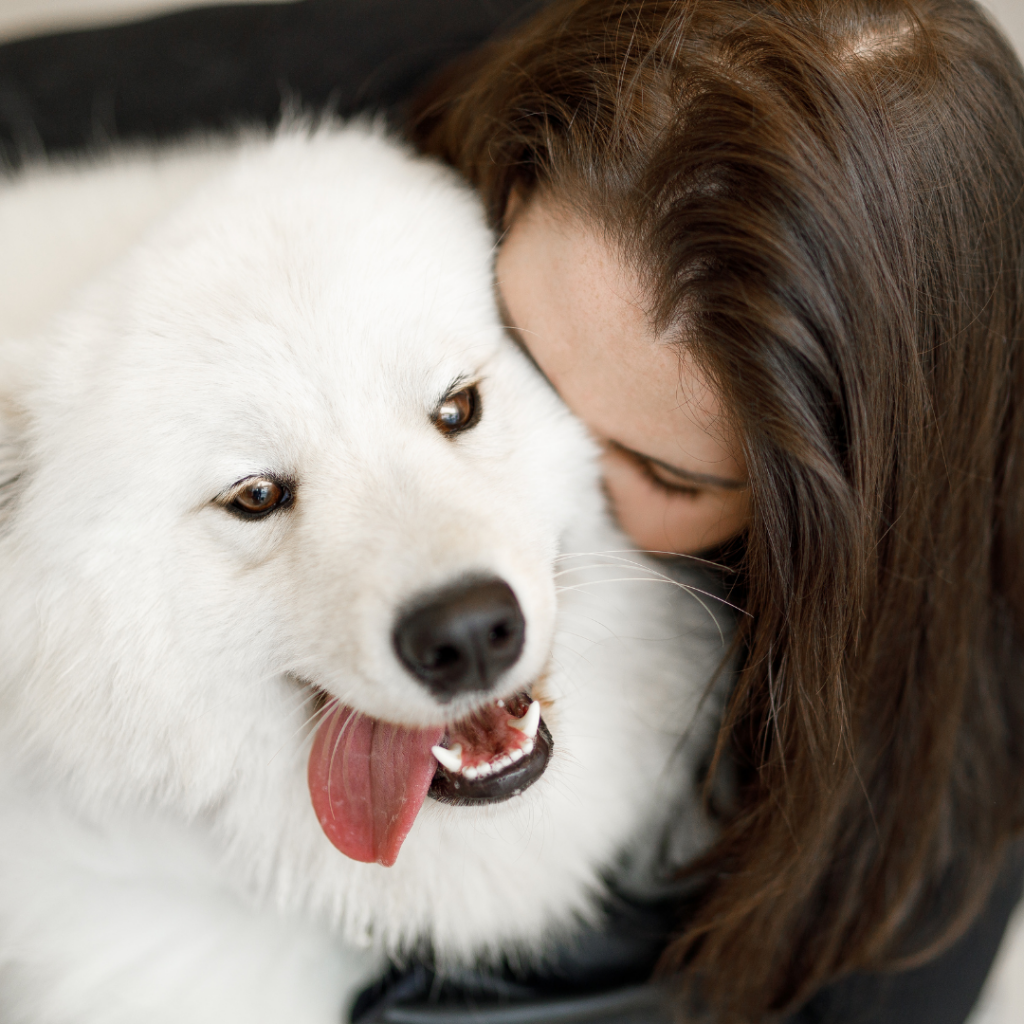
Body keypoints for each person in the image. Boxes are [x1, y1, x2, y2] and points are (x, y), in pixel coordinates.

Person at [2, 2, 1023, 1021]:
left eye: (662, 472)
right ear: (503, 179)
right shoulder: (420, 83)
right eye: (258, 496)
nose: (571, 453)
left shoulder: (951, 755)